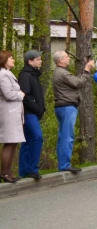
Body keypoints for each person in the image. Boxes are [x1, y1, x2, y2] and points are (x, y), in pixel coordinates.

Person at [52, 51, 94, 173]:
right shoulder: (62, 73)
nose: (69, 58)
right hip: (67, 107)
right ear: (60, 61)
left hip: (63, 106)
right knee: (67, 137)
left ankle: (63, 164)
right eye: (66, 57)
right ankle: (65, 165)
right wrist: (86, 70)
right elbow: (78, 83)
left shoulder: (60, 72)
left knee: (63, 136)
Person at [18, 50, 45, 180]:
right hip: (29, 113)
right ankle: (32, 169)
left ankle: (24, 171)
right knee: (37, 137)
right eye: (38, 59)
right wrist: (37, 109)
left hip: (32, 113)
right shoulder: (25, 75)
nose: (41, 61)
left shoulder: (33, 74)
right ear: (30, 61)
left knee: (28, 140)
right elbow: (25, 96)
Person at [0, 51, 25, 183]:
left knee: (14, 142)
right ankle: (4, 172)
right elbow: (8, 94)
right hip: (8, 112)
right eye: (11, 58)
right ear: (4, 60)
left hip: (13, 112)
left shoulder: (7, 73)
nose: (13, 60)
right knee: (9, 142)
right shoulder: (3, 75)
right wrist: (20, 94)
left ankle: (9, 172)